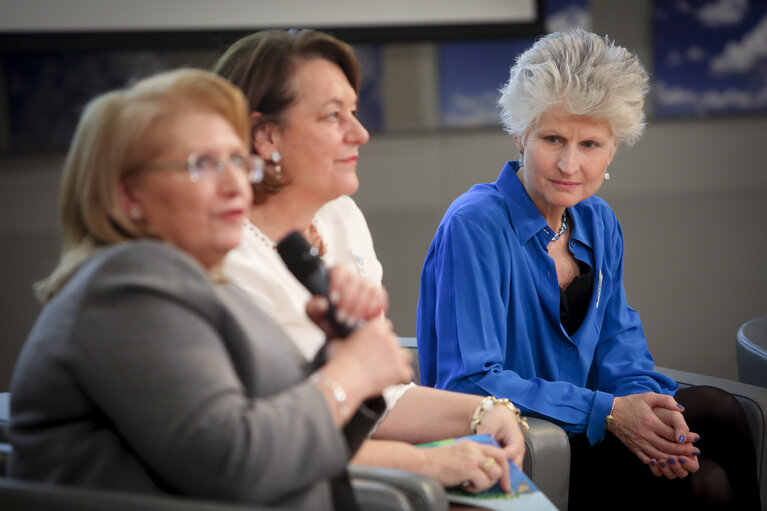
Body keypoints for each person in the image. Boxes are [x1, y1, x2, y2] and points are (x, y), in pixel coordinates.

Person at [7, 68, 414, 510]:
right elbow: (235, 462)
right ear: (129, 197)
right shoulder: (125, 286)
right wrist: (349, 375)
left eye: (238, 161)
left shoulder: (202, 285)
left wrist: (337, 356)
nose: (234, 183)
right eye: (202, 164)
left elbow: (293, 440)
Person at [417, 29, 760, 510]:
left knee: (716, 412)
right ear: (520, 134)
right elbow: (469, 383)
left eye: (591, 144)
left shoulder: (597, 220)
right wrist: (611, 413)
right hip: (523, 448)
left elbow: (619, 342)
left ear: (614, 147)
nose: (568, 164)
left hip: (589, 428)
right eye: (552, 138)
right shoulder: (474, 225)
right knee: (706, 486)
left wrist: (645, 413)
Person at [213, 28, 527, 489]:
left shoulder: (342, 216)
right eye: (333, 116)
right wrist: (429, 465)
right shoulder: (224, 255)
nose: (359, 133)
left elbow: (378, 398)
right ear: (265, 136)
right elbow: (275, 439)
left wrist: (484, 411)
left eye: (355, 113)